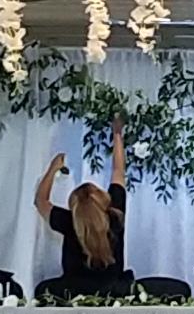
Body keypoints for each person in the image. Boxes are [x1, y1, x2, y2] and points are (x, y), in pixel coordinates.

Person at [34, 122, 133, 292]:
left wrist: (52, 169)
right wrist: (117, 133)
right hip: (112, 293)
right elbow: (118, 172)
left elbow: (40, 201)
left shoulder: (68, 222)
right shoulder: (115, 217)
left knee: (44, 289)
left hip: (72, 294)